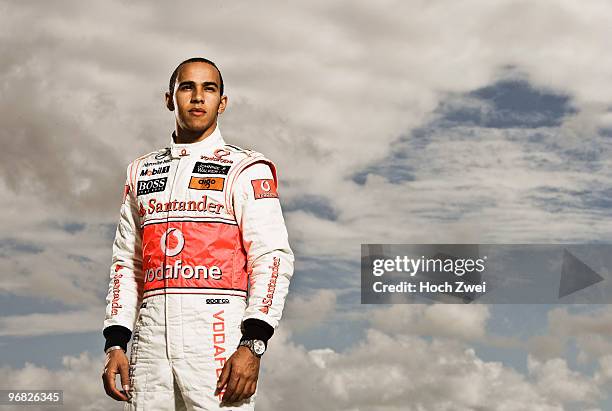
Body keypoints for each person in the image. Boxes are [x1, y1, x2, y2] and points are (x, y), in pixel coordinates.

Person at [101, 57, 294, 410]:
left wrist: (253, 344)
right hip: (150, 350)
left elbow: (272, 258)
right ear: (169, 99)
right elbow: (127, 263)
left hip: (217, 344)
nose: (197, 97)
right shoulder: (141, 171)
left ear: (222, 103)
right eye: (187, 87)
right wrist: (116, 341)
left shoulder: (246, 168)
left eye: (209, 88)